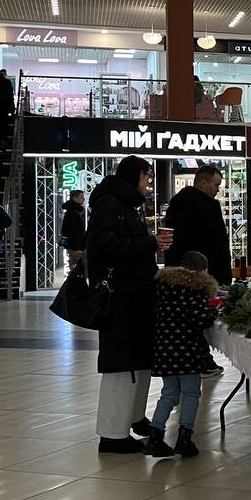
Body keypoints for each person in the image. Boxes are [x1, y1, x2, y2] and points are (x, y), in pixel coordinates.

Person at [86, 155, 170, 453]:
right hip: (120, 298)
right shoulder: (110, 204)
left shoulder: (129, 206)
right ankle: (112, 434)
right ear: (134, 175)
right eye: (147, 175)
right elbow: (104, 249)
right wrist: (151, 244)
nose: (149, 182)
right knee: (122, 365)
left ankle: (133, 417)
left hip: (136, 295)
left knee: (139, 361)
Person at [143, 250, 219, 459]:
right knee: (191, 393)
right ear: (203, 271)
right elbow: (200, 319)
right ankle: (184, 438)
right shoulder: (196, 289)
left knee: (169, 393)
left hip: (165, 348)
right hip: (187, 350)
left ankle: (155, 436)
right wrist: (214, 311)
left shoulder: (163, 286)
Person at [163, 166, 232, 287]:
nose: (217, 190)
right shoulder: (209, 207)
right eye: (216, 185)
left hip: (183, 275)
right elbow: (217, 243)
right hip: (208, 275)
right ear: (203, 183)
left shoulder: (177, 204)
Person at [59, 190, 87, 271]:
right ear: (75, 198)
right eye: (81, 197)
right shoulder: (73, 213)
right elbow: (73, 232)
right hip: (76, 248)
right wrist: (77, 248)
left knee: (76, 270)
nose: (83, 199)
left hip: (75, 247)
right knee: (78, 271)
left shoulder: (72, 211)